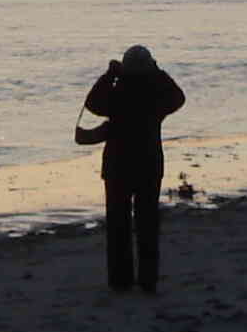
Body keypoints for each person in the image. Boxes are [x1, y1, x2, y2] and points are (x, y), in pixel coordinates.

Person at [77, 44, 186, 290]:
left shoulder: (117, 94)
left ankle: (120, 282)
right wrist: (158, 72)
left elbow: (92, 104)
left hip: (118, 166)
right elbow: (178, 98)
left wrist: (109, 76)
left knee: (118, 227)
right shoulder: (155, 95)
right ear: (149, 66)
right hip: (149, 165)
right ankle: (148, 282)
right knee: (148, 226)